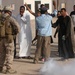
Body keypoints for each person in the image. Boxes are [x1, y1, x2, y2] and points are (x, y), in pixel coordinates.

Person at [0, 6, 20, 74]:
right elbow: (18, 27)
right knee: (9, 54)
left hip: (1, 39)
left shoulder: (0, 18)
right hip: (9, 39)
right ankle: (9, 69)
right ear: (9, 12)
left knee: (2, 54)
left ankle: (0, 67)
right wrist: (14, 34)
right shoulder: (10, 19)